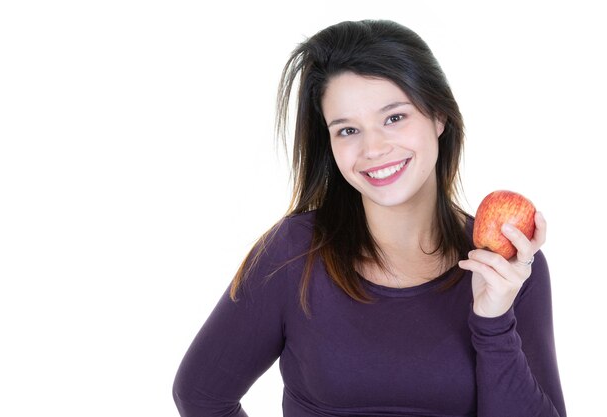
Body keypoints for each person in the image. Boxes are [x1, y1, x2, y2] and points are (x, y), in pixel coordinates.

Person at [172, 19, 566, 417]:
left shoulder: (508, 267)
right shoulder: (293, 253)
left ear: (439, 116)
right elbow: (201, 396)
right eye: (347, 130)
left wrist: (494, 321)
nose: (373, 148)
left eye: (394, 117)